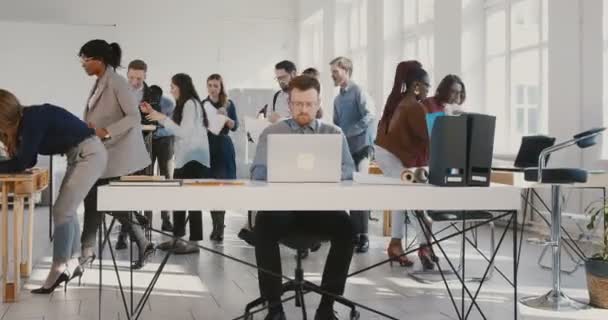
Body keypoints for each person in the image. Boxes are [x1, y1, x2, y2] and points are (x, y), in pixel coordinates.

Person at [252, 75, 355, 320]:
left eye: (309, 104)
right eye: (298, 104)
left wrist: (324, 173)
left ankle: (326, 306)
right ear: (289, 103)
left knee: (347, 228)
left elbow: (350, 170)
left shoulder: (333, 132)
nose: (303, 109)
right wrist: (282, 171)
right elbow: (256, 171)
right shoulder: (272, 132)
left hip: (320, 211)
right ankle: (274, 307)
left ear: (319, 103)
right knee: (263, 225)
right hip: (282, 211)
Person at [0, 90, 107, 294]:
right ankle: (73, 263)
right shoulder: (27, 119)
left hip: (89, 154)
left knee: (61, 211)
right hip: (81, 155)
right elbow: (26, 159)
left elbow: (23, 161)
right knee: (67, 210)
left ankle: (58, 269)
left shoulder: (32, 119)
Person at [78, 40, 154, 270]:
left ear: (99, 60)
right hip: (104, 152)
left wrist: (106, 131)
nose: (82, 64)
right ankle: (89, 251)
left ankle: (87, 252)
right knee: (95, 199)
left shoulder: (117, 82)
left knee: (97, 199)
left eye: (85, 59)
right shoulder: (101, 81)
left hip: (117, 153)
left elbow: (134, 117)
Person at [376, 66, 446, 270]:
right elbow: (429, 137)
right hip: (391, 156)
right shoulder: (413, 106)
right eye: (426, 86)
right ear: (416, 86)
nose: (428, 91)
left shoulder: (398, 101)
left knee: (402, 198)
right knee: (413, 199)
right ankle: (425, 245)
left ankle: (396, 245)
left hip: (385, 153)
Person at [141, 73, 212, 254]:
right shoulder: (185, 104)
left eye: (173, 86)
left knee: (192, 201)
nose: (171, 90)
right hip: (186, 159)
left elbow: (183, 132)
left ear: (181, 86)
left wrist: (161, 118)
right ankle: (177, 239)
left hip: (194, 159)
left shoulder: (190, 104)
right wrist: (154, 114)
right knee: (179, 200)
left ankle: (194, 244)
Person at [330, 56, 376, 253]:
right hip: (346, 151)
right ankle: (354, 233)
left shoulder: (359, 91)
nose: (332, 75)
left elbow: (370, 115)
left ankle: (364, 235)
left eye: (335, 71)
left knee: (361, 192)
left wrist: (350, 131)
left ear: (346, 71)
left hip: (362, 149)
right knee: (349, 191)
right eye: (332, 72)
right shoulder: (337, 99)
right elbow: (336, 124)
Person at [201, 74, 238, 242]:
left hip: (223, 146)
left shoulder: (228, 103)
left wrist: (226, 117)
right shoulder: (202, 104)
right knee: (210, 186)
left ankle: (219, 227)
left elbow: (235, 126)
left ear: (221, 87)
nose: (213, 88)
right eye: (210, 85)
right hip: (208, 146)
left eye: (216, 85)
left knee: (221, 186)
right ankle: (216, 224)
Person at [149, 85, 176, 231]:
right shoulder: (142, 101)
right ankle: (146, 221)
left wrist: (156, 131)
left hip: (165, 139)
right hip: (148, 139)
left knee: (166, 178)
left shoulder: (169, 104)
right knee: (145, 177)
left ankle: (166, 219)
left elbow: (172, 126)